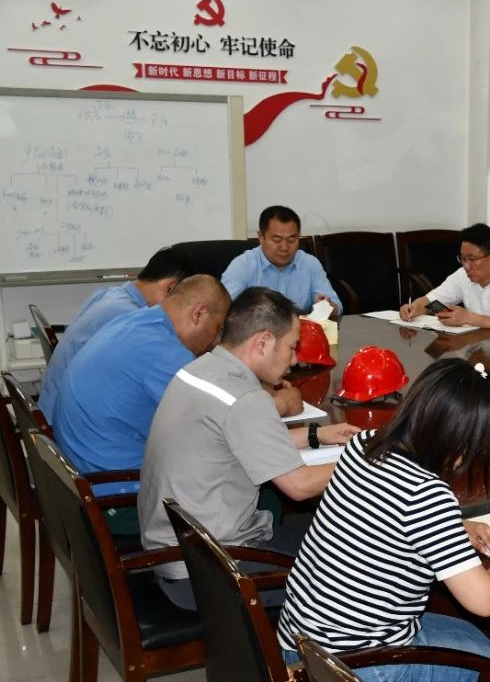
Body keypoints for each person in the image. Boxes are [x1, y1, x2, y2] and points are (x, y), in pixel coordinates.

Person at [276, 358, 490, 682]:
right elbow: (484, 600)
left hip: (305, 652)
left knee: (476, 639)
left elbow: (381, 513)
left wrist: (453, 528)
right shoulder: (426, 494)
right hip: (353, 679)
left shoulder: (367, 445)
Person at [138, 287, 360, 609]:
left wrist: (317, 435)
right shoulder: (245, 397)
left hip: (176, 554)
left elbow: (239, 442)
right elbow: (300, 486)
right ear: (263, 342)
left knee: (327, 534)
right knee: (355, 567)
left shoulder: (200, 369)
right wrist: (368, 462)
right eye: (292, 346)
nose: (295, 359)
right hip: (213, 571)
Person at [51, 274, 229, 480]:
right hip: (113, 482)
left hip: (76, 468)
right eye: (218, 328)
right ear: (199, 313)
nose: (215, 341)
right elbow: (220, 421)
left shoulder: (134, 320)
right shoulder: (166, 352)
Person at [39, 247, 193, 422]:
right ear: (170, 289)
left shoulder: (107, 294)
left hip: (54, 409)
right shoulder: (132, 320)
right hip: (64, 421)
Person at [397, 223, 490, 340]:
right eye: (463, 259)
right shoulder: (462, 275)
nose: (466, 266)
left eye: (472, 259)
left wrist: (468, 318)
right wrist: (413, 308)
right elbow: (431, 301)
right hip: (481, 343)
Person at [221, 205, 344, 316]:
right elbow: (223, 309)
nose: (284, 247)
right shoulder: (243, 265)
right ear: (261, 237)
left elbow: (337, 308)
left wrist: (327, 306)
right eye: (277, 240)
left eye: (291, 240)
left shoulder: (310, 264)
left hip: (300, 332)